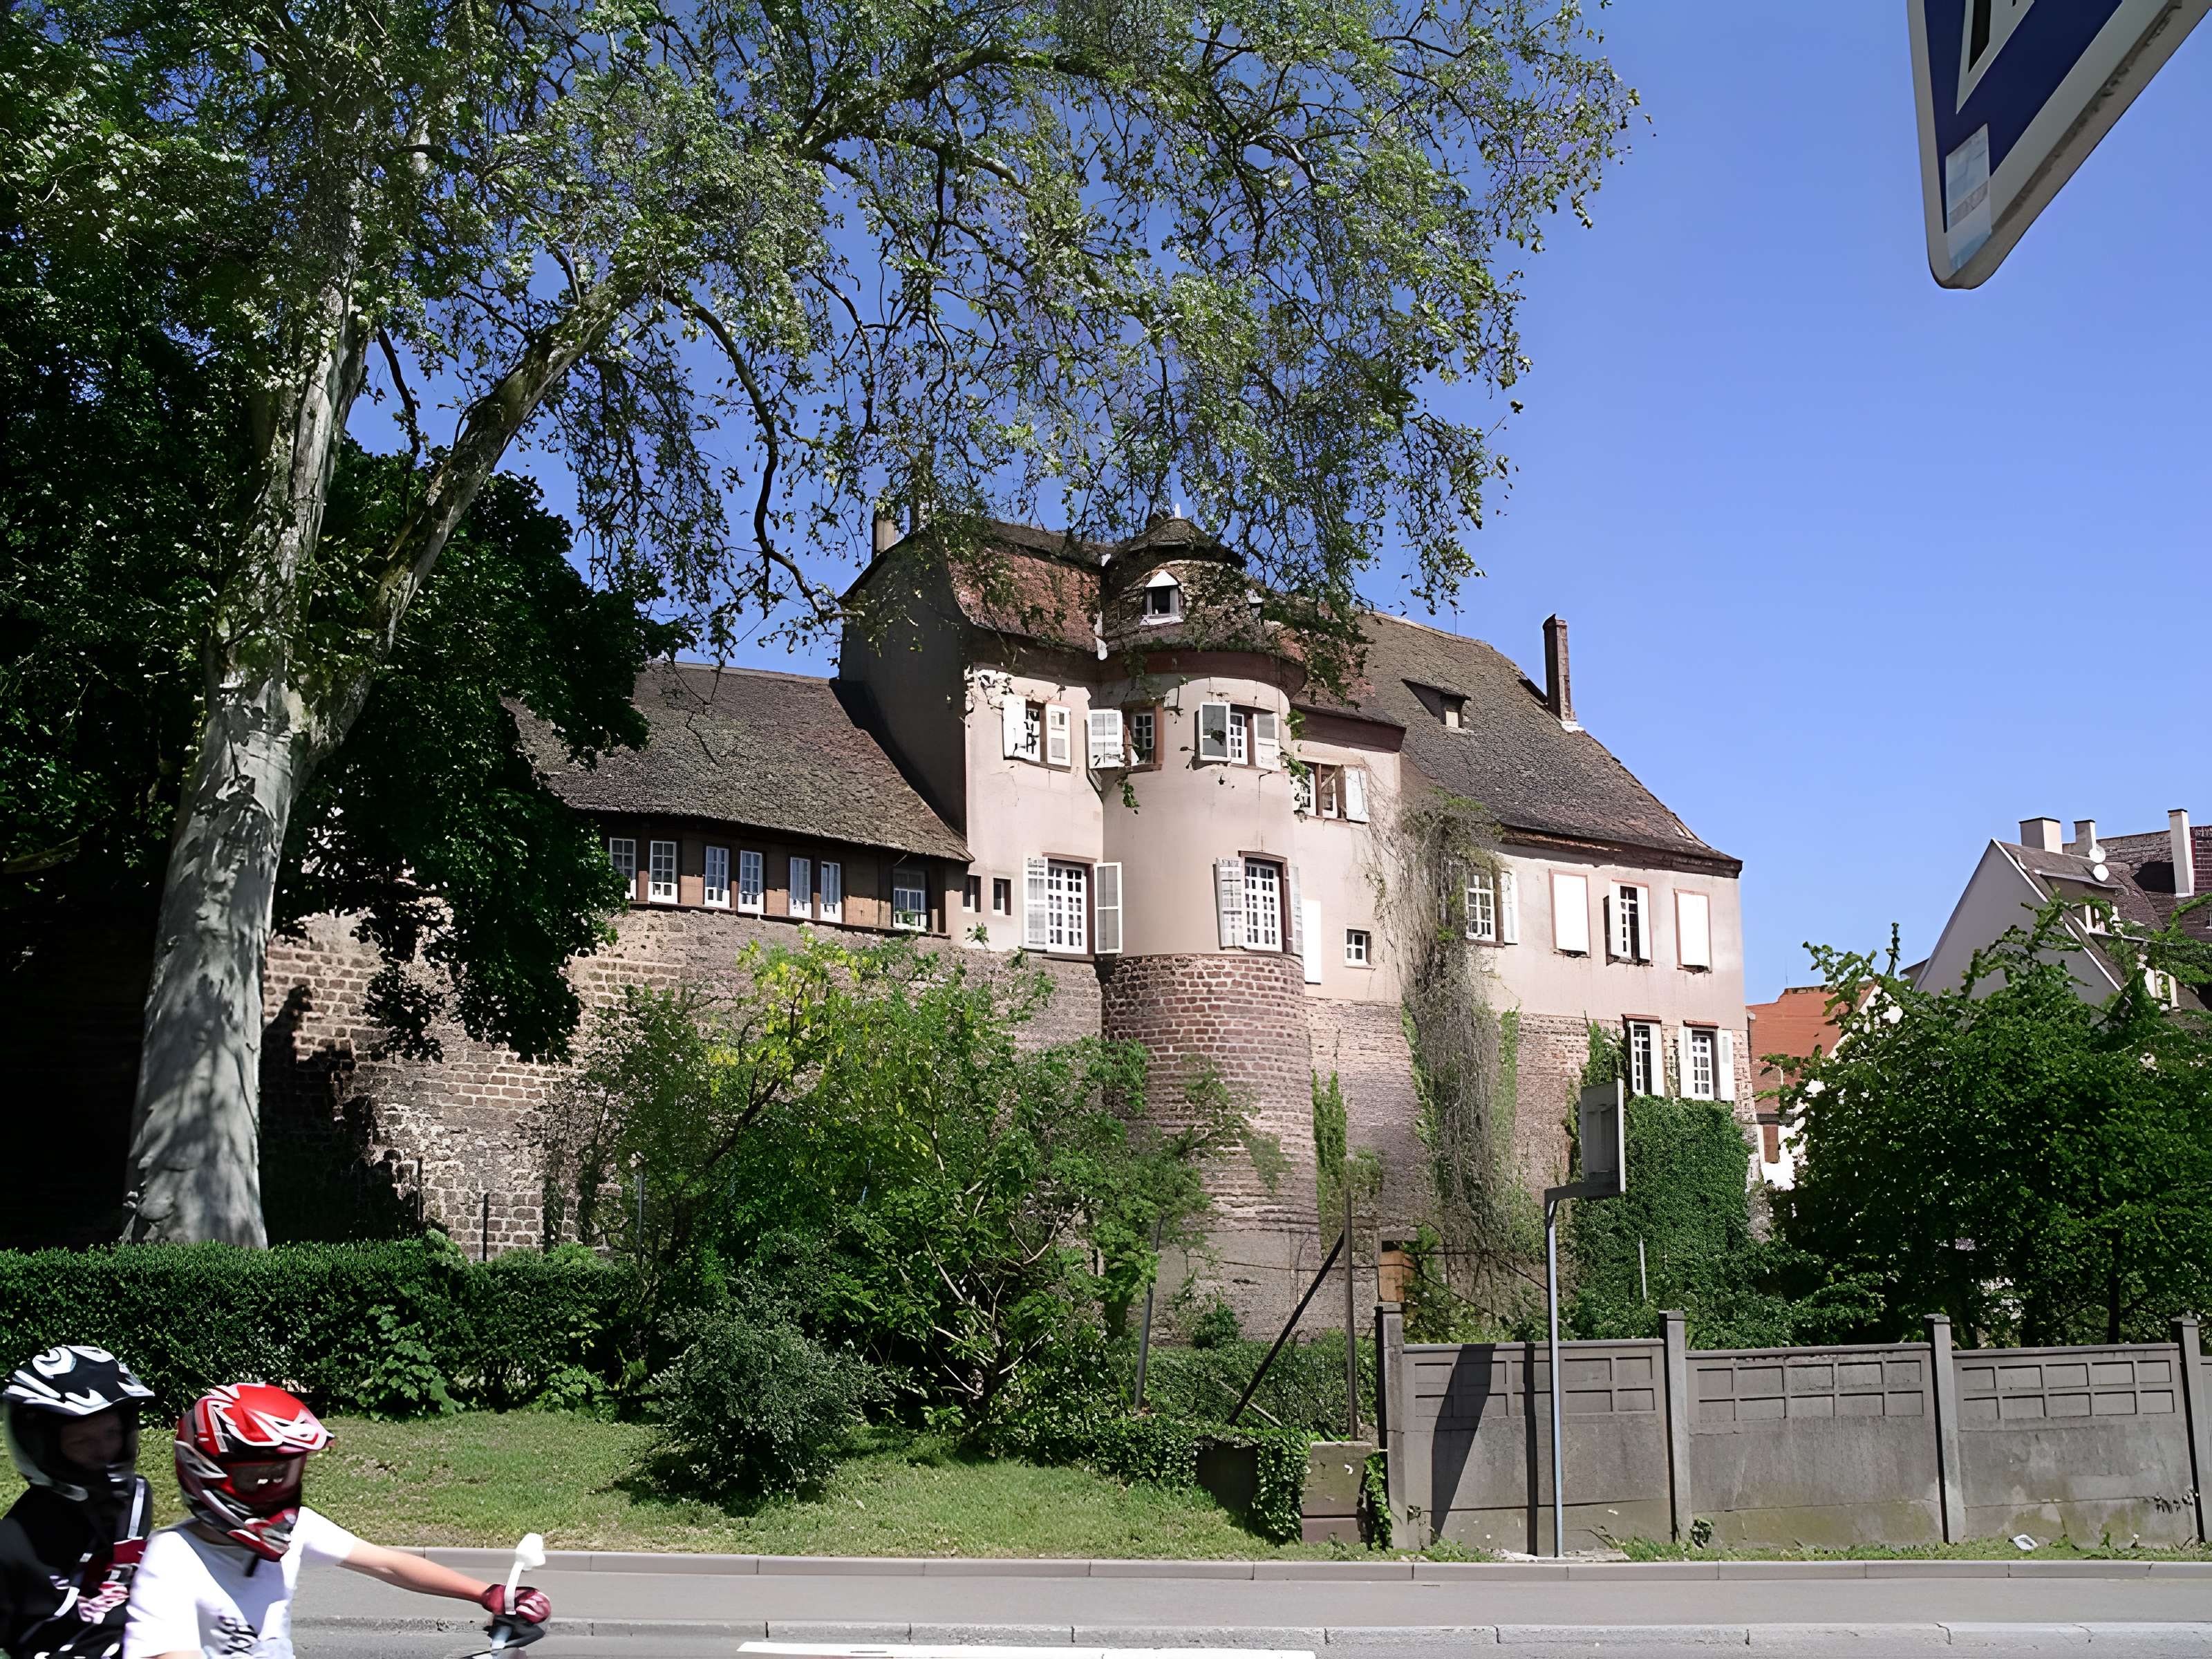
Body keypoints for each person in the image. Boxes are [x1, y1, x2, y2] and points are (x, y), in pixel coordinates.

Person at [122, 1384, 550, 1659]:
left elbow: (386, 1563)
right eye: (256, 1477)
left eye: (285, 1473)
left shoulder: (294, 1529)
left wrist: (488, 1593)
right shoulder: (172, 1556)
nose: (274, 1489)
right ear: (205, 1473)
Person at [1, 1345, 158, 1659]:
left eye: (112, 1433)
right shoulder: (12, 1545)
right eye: (83, 1441)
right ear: (41, 1447)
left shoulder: (135, 1501)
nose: (104, 1452)